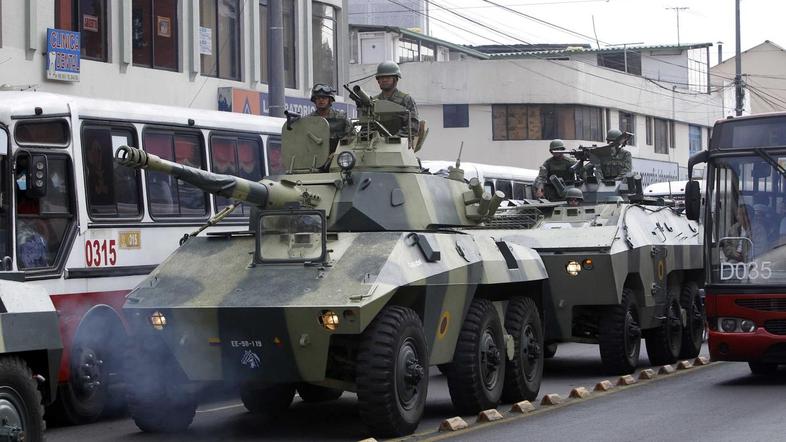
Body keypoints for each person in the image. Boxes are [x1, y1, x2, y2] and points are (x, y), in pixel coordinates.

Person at [374, 61, 419, 135]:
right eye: (381, 77)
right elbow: (365, 127)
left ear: (395, 79)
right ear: (378, 80)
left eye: (388, 77)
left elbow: (413, 127)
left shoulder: (406, 100)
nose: (384, 80)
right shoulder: (374, 101)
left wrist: (394, 139)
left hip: (399, 143)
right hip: (377, 143)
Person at [308, 84, 352, 153]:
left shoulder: (341, 118)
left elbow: (351, 139)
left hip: (337, 158)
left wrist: (337, 153)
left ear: (330, 100)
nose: (321, 100)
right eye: (318, 98)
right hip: (315, 157)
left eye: (324, 98)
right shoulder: (309, 120)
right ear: (314, 100)